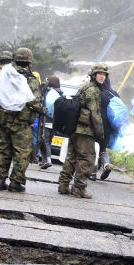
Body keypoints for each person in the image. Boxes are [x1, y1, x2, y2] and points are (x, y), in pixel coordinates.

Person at [0, 47, 43, 193]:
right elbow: (34, 100)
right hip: (20, 122)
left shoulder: (5, 74)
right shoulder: (30, 79)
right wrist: (41, 110)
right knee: (22, 152)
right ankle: (15, 182)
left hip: (2, 119)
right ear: (29, 62)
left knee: (3, 148)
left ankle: (0, 181)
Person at [58, 63, 105, 198]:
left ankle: (63, 184)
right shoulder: (93, 90)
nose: (102, 76)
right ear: (94, 75)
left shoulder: (84, 87)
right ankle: (78, 187)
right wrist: (100, 132)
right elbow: (95, 113)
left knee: (71, 157)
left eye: (104, 74)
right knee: (87, 158)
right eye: (99, 74)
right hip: (85, 130)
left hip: (75, 128)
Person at [39, 75, 62, 169]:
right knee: (48, 140)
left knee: (44, 140)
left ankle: (48, 160)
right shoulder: (60, 93)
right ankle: (44, 160)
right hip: (56, 122)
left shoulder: (48, 92)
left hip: (46, 120)